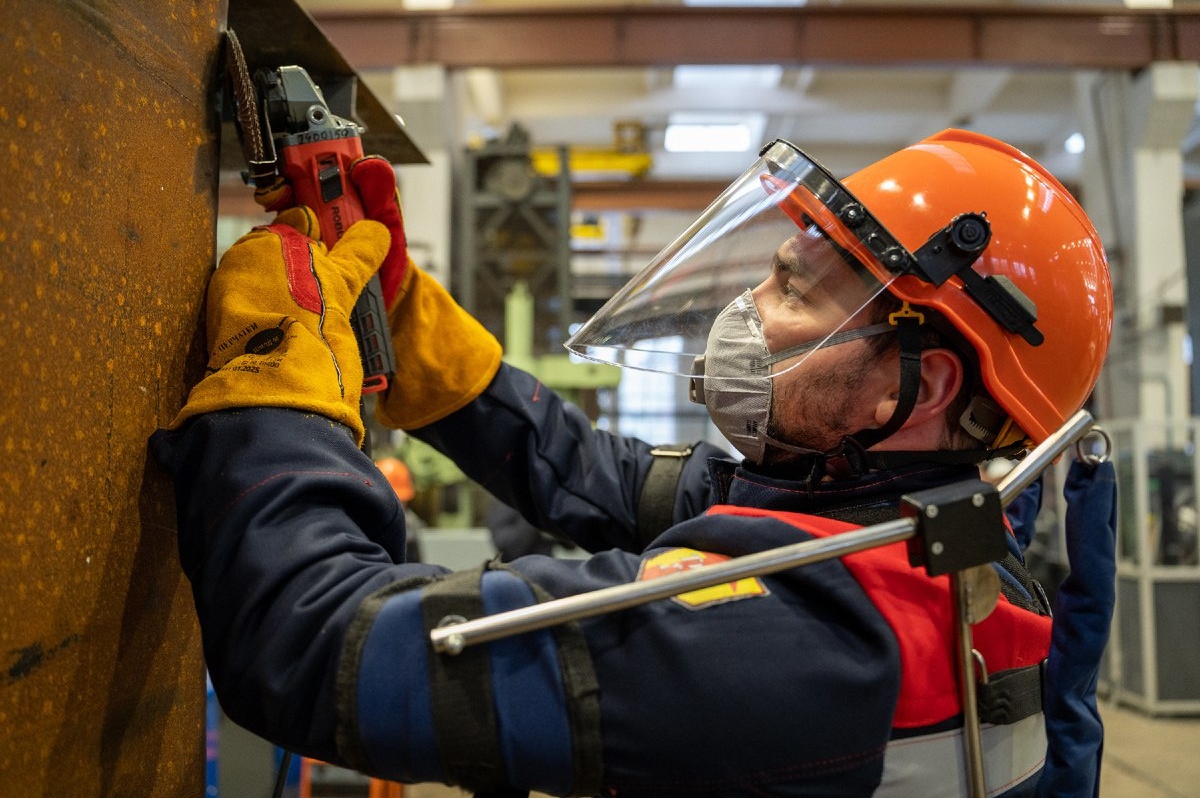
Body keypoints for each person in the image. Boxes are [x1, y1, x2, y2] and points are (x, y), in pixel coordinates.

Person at [151, 131, 1113, 797]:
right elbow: (594, 475)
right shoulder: (929, 537)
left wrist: (275, 378)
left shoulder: (788, 639)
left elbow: (315, 647)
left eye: (793, 290)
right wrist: (418, 332)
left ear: (921, 386)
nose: (746, 309)